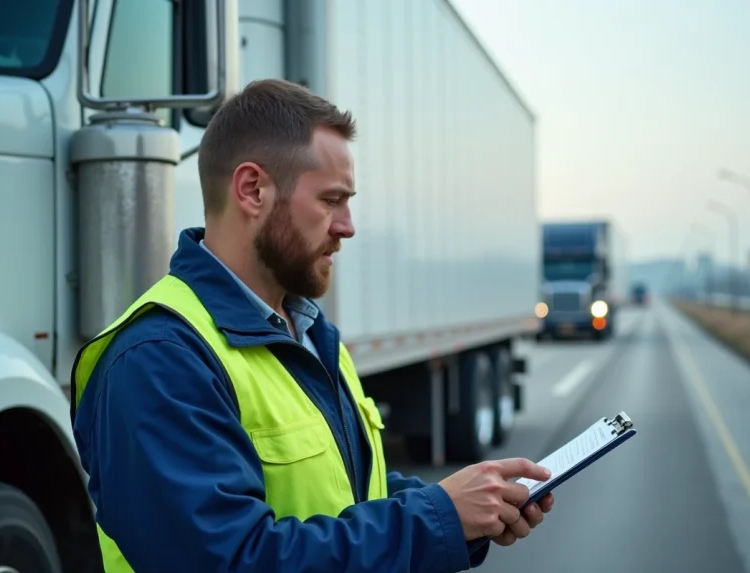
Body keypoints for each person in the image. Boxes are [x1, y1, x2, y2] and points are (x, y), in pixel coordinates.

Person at [70, 78, 555, 573]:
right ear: (252, 189)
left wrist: (469, 507)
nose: (347, 225)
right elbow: (234, 559)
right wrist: (438, 518)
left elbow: (348, 489)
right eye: (330, 200)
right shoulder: (159, 358)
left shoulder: (311, 333)